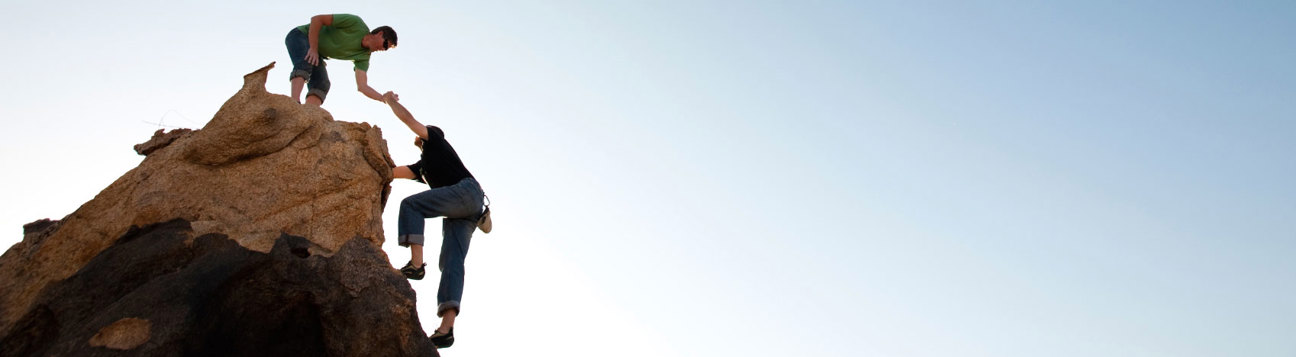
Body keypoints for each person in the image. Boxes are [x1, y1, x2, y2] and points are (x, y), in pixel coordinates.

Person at [383, 91, 490, 349]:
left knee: (411, 205)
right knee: (451, 261)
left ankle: (416, 264)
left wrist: (389, 101)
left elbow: (408, 120)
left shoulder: (434, 141)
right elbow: (392, 173)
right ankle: (446, 329)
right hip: (466, 211)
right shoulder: (422, 169)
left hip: (466, 192)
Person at [284, 14, 397, 106]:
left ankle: (308, 113)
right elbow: (317, 19)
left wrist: (383, 98)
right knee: (306, 61)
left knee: (322, 84)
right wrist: (313, 49)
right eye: (385, 44)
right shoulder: (355, 23)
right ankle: (294, 104)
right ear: (380, 34)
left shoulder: (364, 57)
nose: (383, 49)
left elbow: (362, 86)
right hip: (300, 35)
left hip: (316, 53)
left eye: (386, 49)